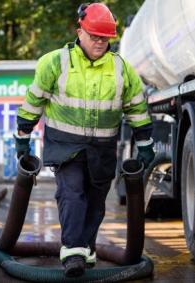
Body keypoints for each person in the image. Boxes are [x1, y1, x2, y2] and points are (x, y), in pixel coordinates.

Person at [14, 2, 154, 277]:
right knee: (72, 193)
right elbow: (34, 102)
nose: (100, 43)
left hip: (102, 148)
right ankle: (72, 251)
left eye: (105, 38)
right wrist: (23, 136)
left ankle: (86, 248)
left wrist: (146, 144)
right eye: (94, 37)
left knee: (96, 200)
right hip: (66, 147)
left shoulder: (121, 69)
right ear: (80, 31)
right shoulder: (55, 62)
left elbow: (136, 108)